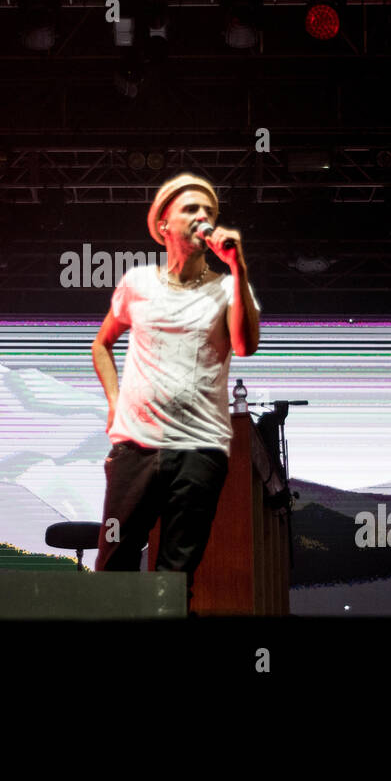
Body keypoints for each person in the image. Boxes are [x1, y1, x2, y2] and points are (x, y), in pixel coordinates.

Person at [90, 174, 261, 606]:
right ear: (164, 224)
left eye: (209, 211)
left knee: (174, 579)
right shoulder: (137, 284)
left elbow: (245, 345)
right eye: (191, 209)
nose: (203, 217)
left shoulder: (228, 288)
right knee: (113, 565)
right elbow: (102, 344)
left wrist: (238, 267)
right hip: (136, 447)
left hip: (199, 450)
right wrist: (114, 403)